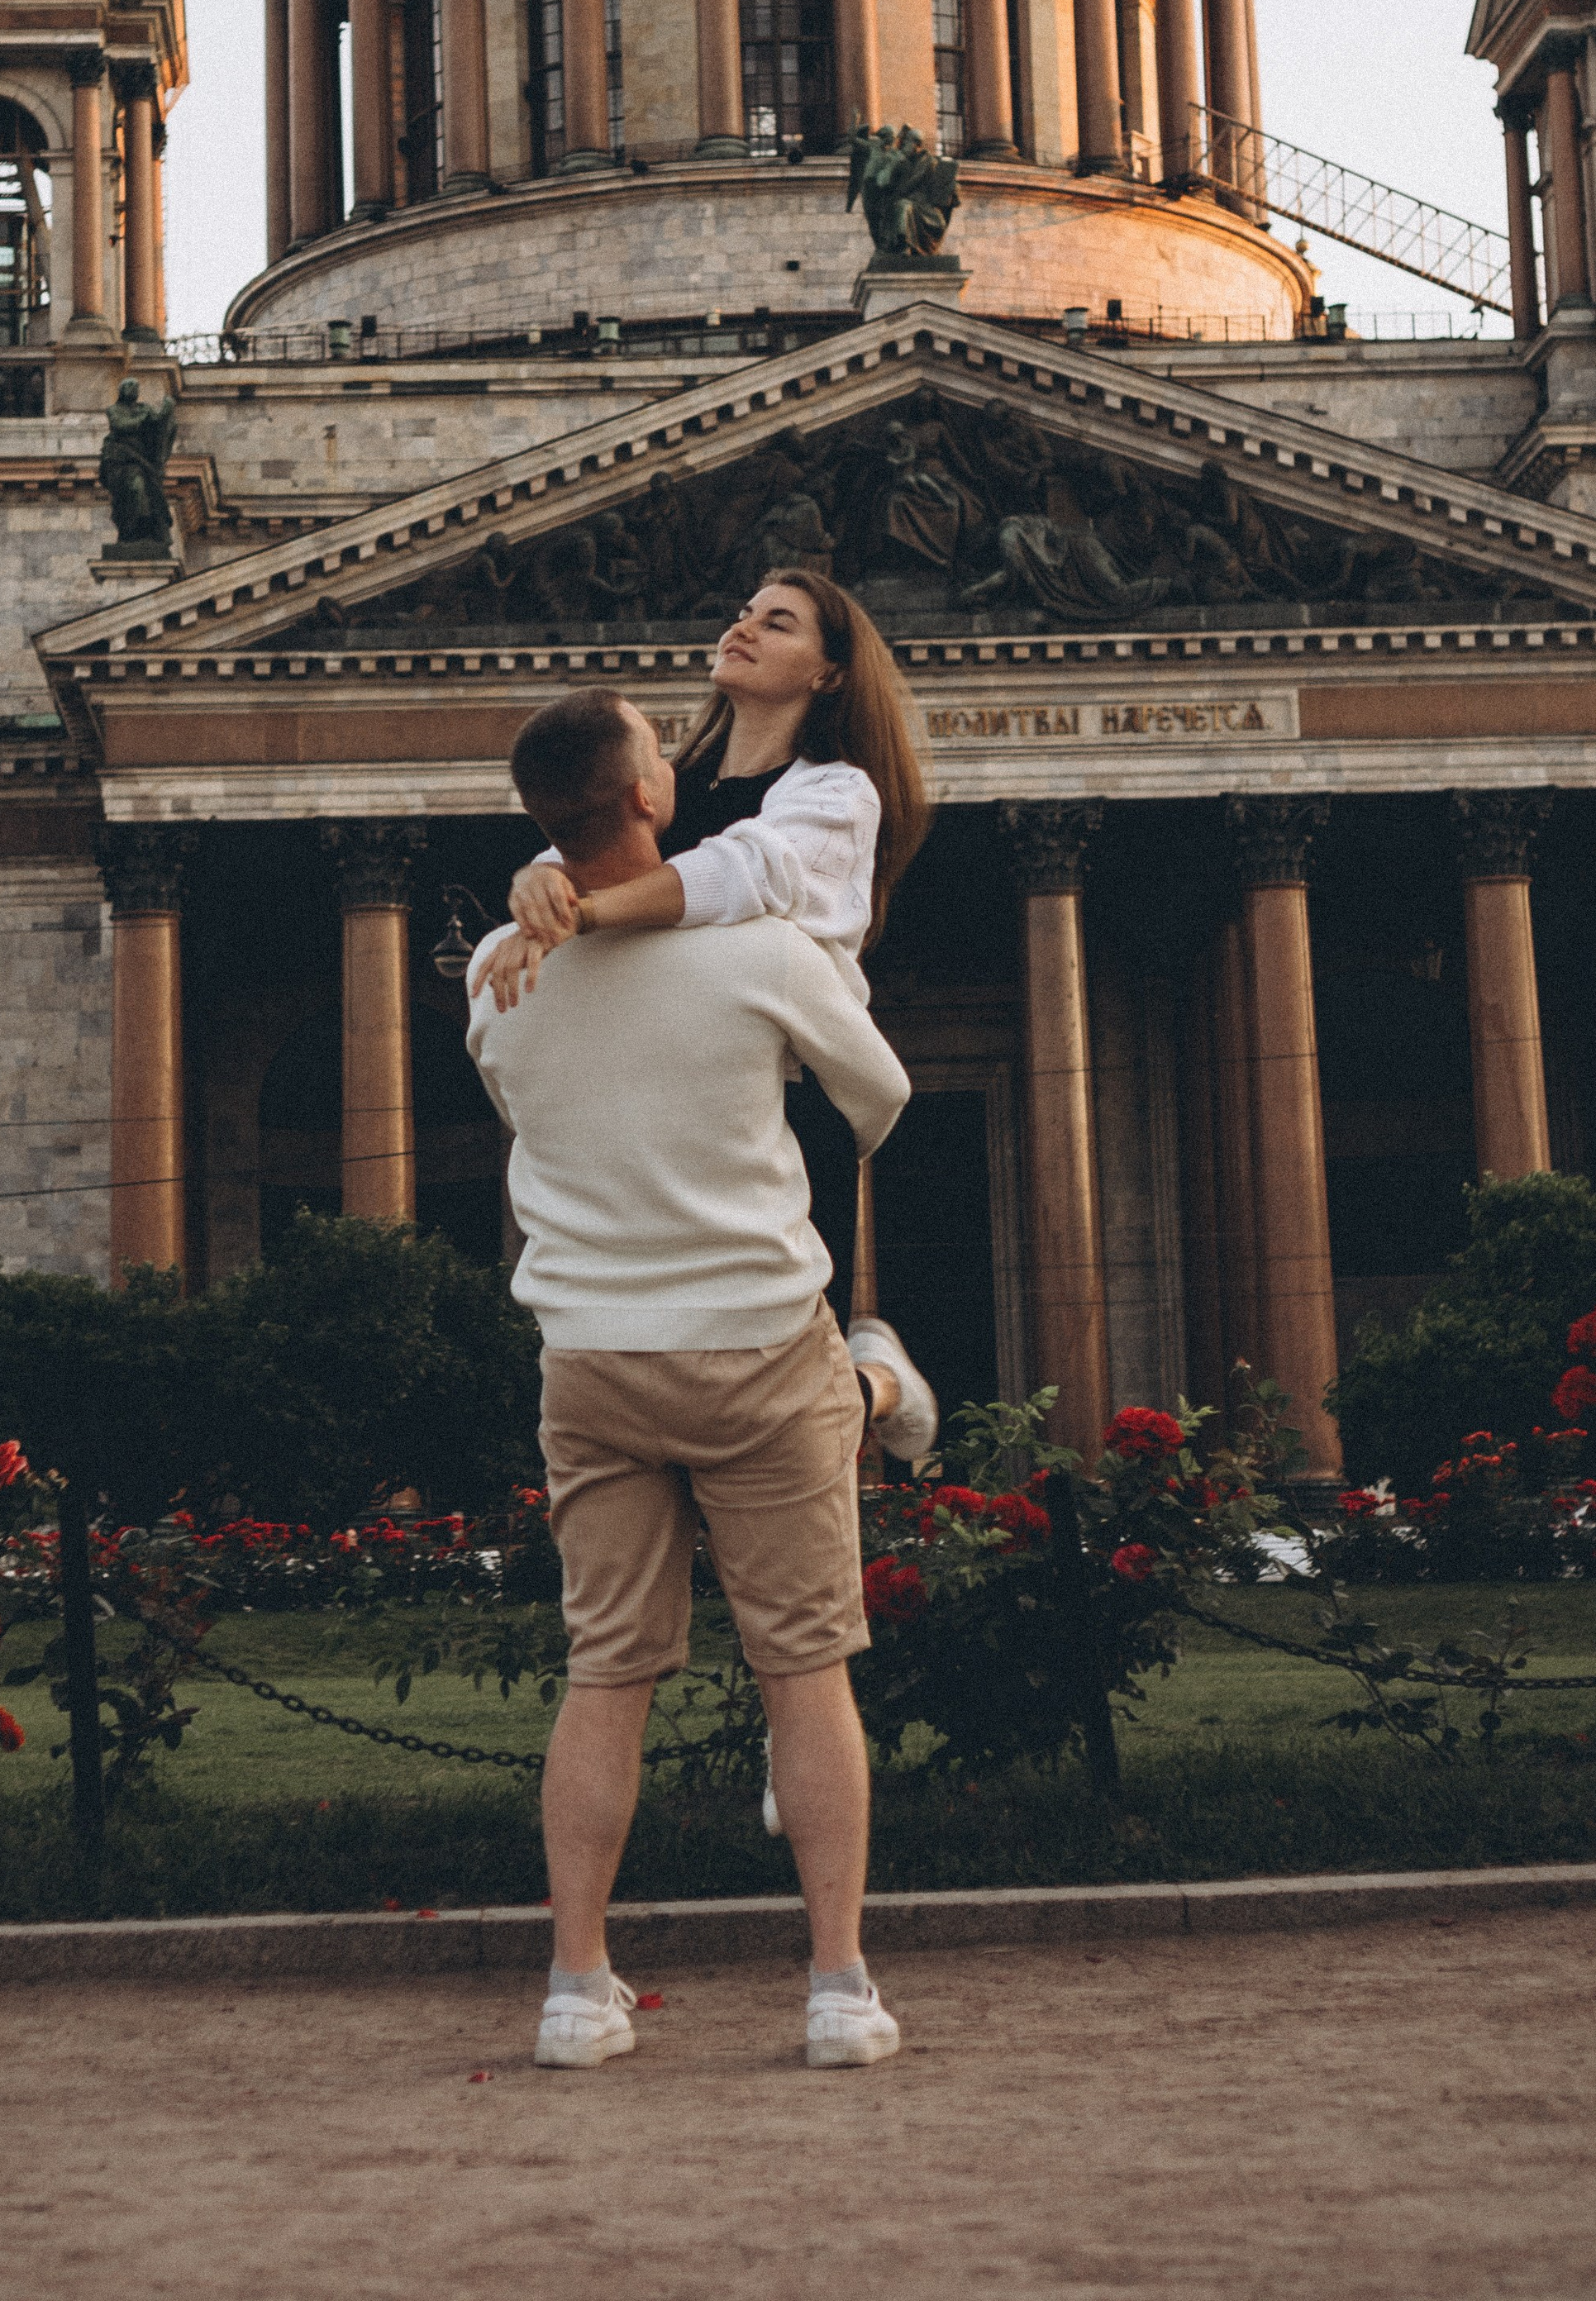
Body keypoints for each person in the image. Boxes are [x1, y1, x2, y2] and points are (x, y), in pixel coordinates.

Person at [469, 687, 936, 2073]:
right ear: (653, 796)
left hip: (592, 1357)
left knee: (606, 1674)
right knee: (805, 1671)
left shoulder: (496, 970)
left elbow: (525, 1103)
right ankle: (838, 1988)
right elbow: (882, 1097)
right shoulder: (763, 952)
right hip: (753, 1339)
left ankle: (576, 1991)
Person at [478, 568, 931, 1288]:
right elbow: (594, 840)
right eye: (744, 612)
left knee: (783, 1330)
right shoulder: (670, 782)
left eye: (778, 623)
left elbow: (742, 873)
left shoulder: (837, 792)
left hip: (780, 1113)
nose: (742, 627)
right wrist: (540, 880)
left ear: (829, 675)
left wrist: (577, 913)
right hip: (668, 1088)